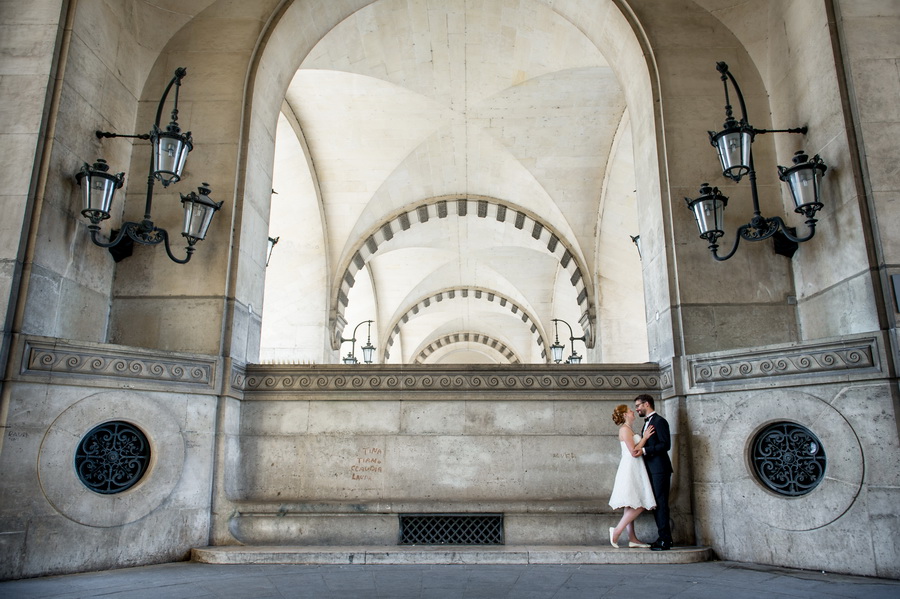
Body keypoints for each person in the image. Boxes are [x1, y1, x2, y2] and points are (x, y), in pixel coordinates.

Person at [608, 404, 656, 548]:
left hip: (634, 466)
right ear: (624, 415)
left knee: (631, 502)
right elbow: (634, 452)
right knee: (640, 503)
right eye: (630, 411)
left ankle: (632, 538)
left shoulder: (628, 429)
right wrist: (645, 438)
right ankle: (617, 530)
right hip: (631, 467)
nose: (633, 412)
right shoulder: (624, 429)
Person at [634, 394, 673, 551]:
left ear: (647, 404)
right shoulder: (648, 423)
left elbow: (665, 445)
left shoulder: (659, 421)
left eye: (638, 405)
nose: (637, 409)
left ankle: (665, 540)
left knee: (661, 503)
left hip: (660, 469)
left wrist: (644, 450)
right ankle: (664, 538)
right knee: (657, 504)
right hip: (652, 469)